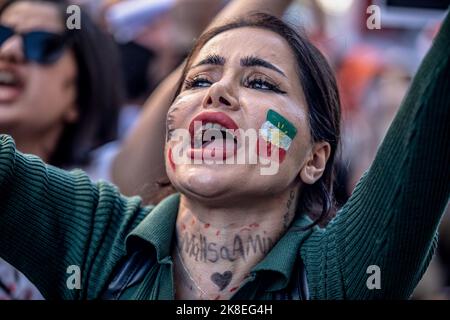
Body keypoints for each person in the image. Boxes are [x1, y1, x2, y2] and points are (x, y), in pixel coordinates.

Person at [0, 4, 449, 301]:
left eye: (261, 83)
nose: (218, 91)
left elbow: (430, 120)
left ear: (315, 158)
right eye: (198, 80)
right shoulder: (98, 235)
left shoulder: (337, 273)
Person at [0, 0, 123, 299]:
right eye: (1, 35)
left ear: (78, 97)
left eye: (42, 45)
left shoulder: (102, 187)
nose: (9, 51)